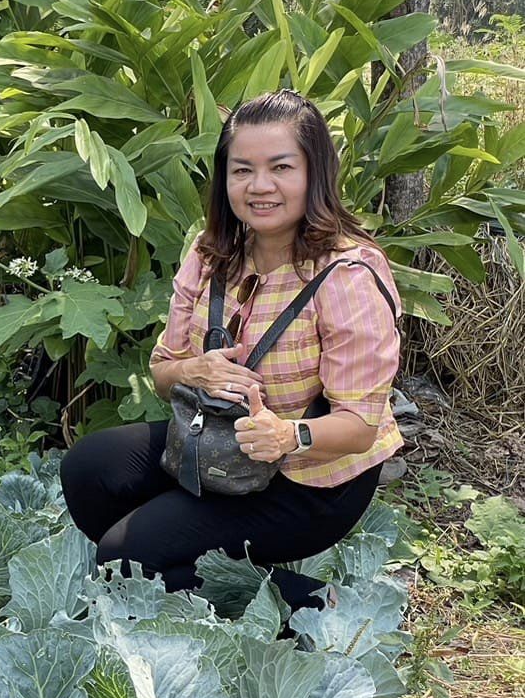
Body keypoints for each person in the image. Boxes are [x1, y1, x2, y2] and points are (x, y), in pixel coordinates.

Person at [58, 89, 404, 609]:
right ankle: (188, 574)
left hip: (311, 481)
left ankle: (310, 608)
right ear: (225, 178)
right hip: (218, 445)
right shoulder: (211, 252)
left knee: (127, 555)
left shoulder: (346, 276)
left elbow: (360, 427)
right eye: (242, 170)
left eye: (281, 167)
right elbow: (162, 374)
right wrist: (194, 370)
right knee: (89, 469)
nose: (260, 186)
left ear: (315, 174)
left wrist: (288, 434)